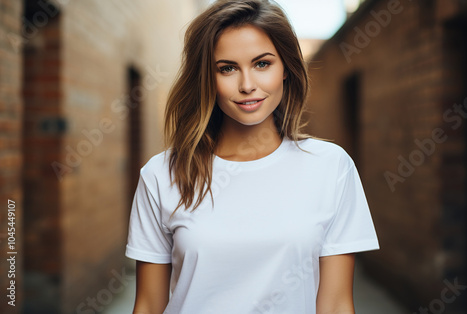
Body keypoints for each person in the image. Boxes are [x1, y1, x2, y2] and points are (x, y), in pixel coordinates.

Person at [125, 0, 379, 313]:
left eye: (262, 64)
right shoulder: (162, 174)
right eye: (227, 68)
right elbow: (149, 305)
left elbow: (337, 304)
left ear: (285, 69)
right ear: (208, 78)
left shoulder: (331, 167)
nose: (247, 85)